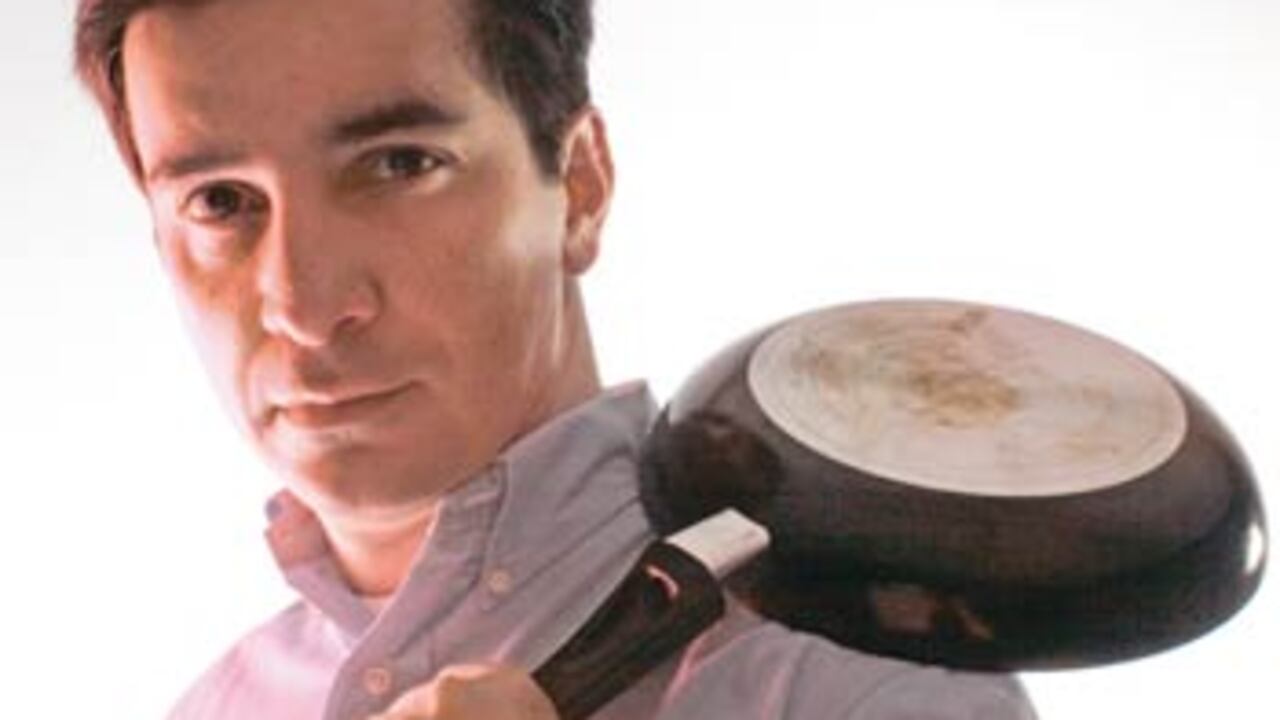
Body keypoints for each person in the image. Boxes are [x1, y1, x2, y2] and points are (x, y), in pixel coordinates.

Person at [74, 0, 1039, 717]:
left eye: (399, 163)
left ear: (578, 186)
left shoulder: (865, 694)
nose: (305, 306)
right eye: (220, 202)